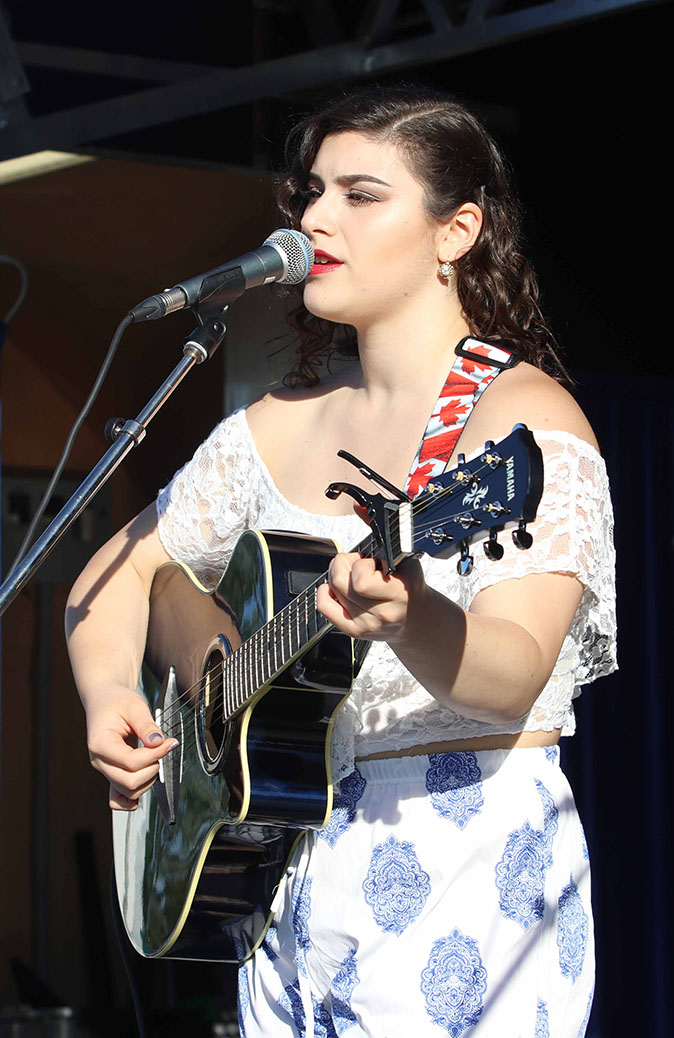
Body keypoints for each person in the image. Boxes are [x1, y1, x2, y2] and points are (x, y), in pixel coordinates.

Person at [65, 86, 616, 1036]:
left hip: (467, 869)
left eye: (361, 195)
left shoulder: (521, 425)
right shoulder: (270, 426)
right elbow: (117, 575)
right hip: (288, 876)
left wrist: (414, 617)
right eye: (311, 192)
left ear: (458, 231)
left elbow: (515, 672)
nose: (315, 218)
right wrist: (110, 688)